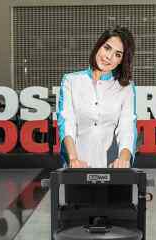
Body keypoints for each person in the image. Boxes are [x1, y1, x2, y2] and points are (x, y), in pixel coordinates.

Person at [57, 26, 137, 168]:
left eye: (117, 54)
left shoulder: (126, 88)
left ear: (121, 61)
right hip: (75, 166)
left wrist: (123, 160)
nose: (109, 57)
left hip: (112, 166)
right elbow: (67, 122)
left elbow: (127, 127)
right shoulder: (71, 81)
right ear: (99, 45)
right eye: (107, 48)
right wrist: (73, 159)